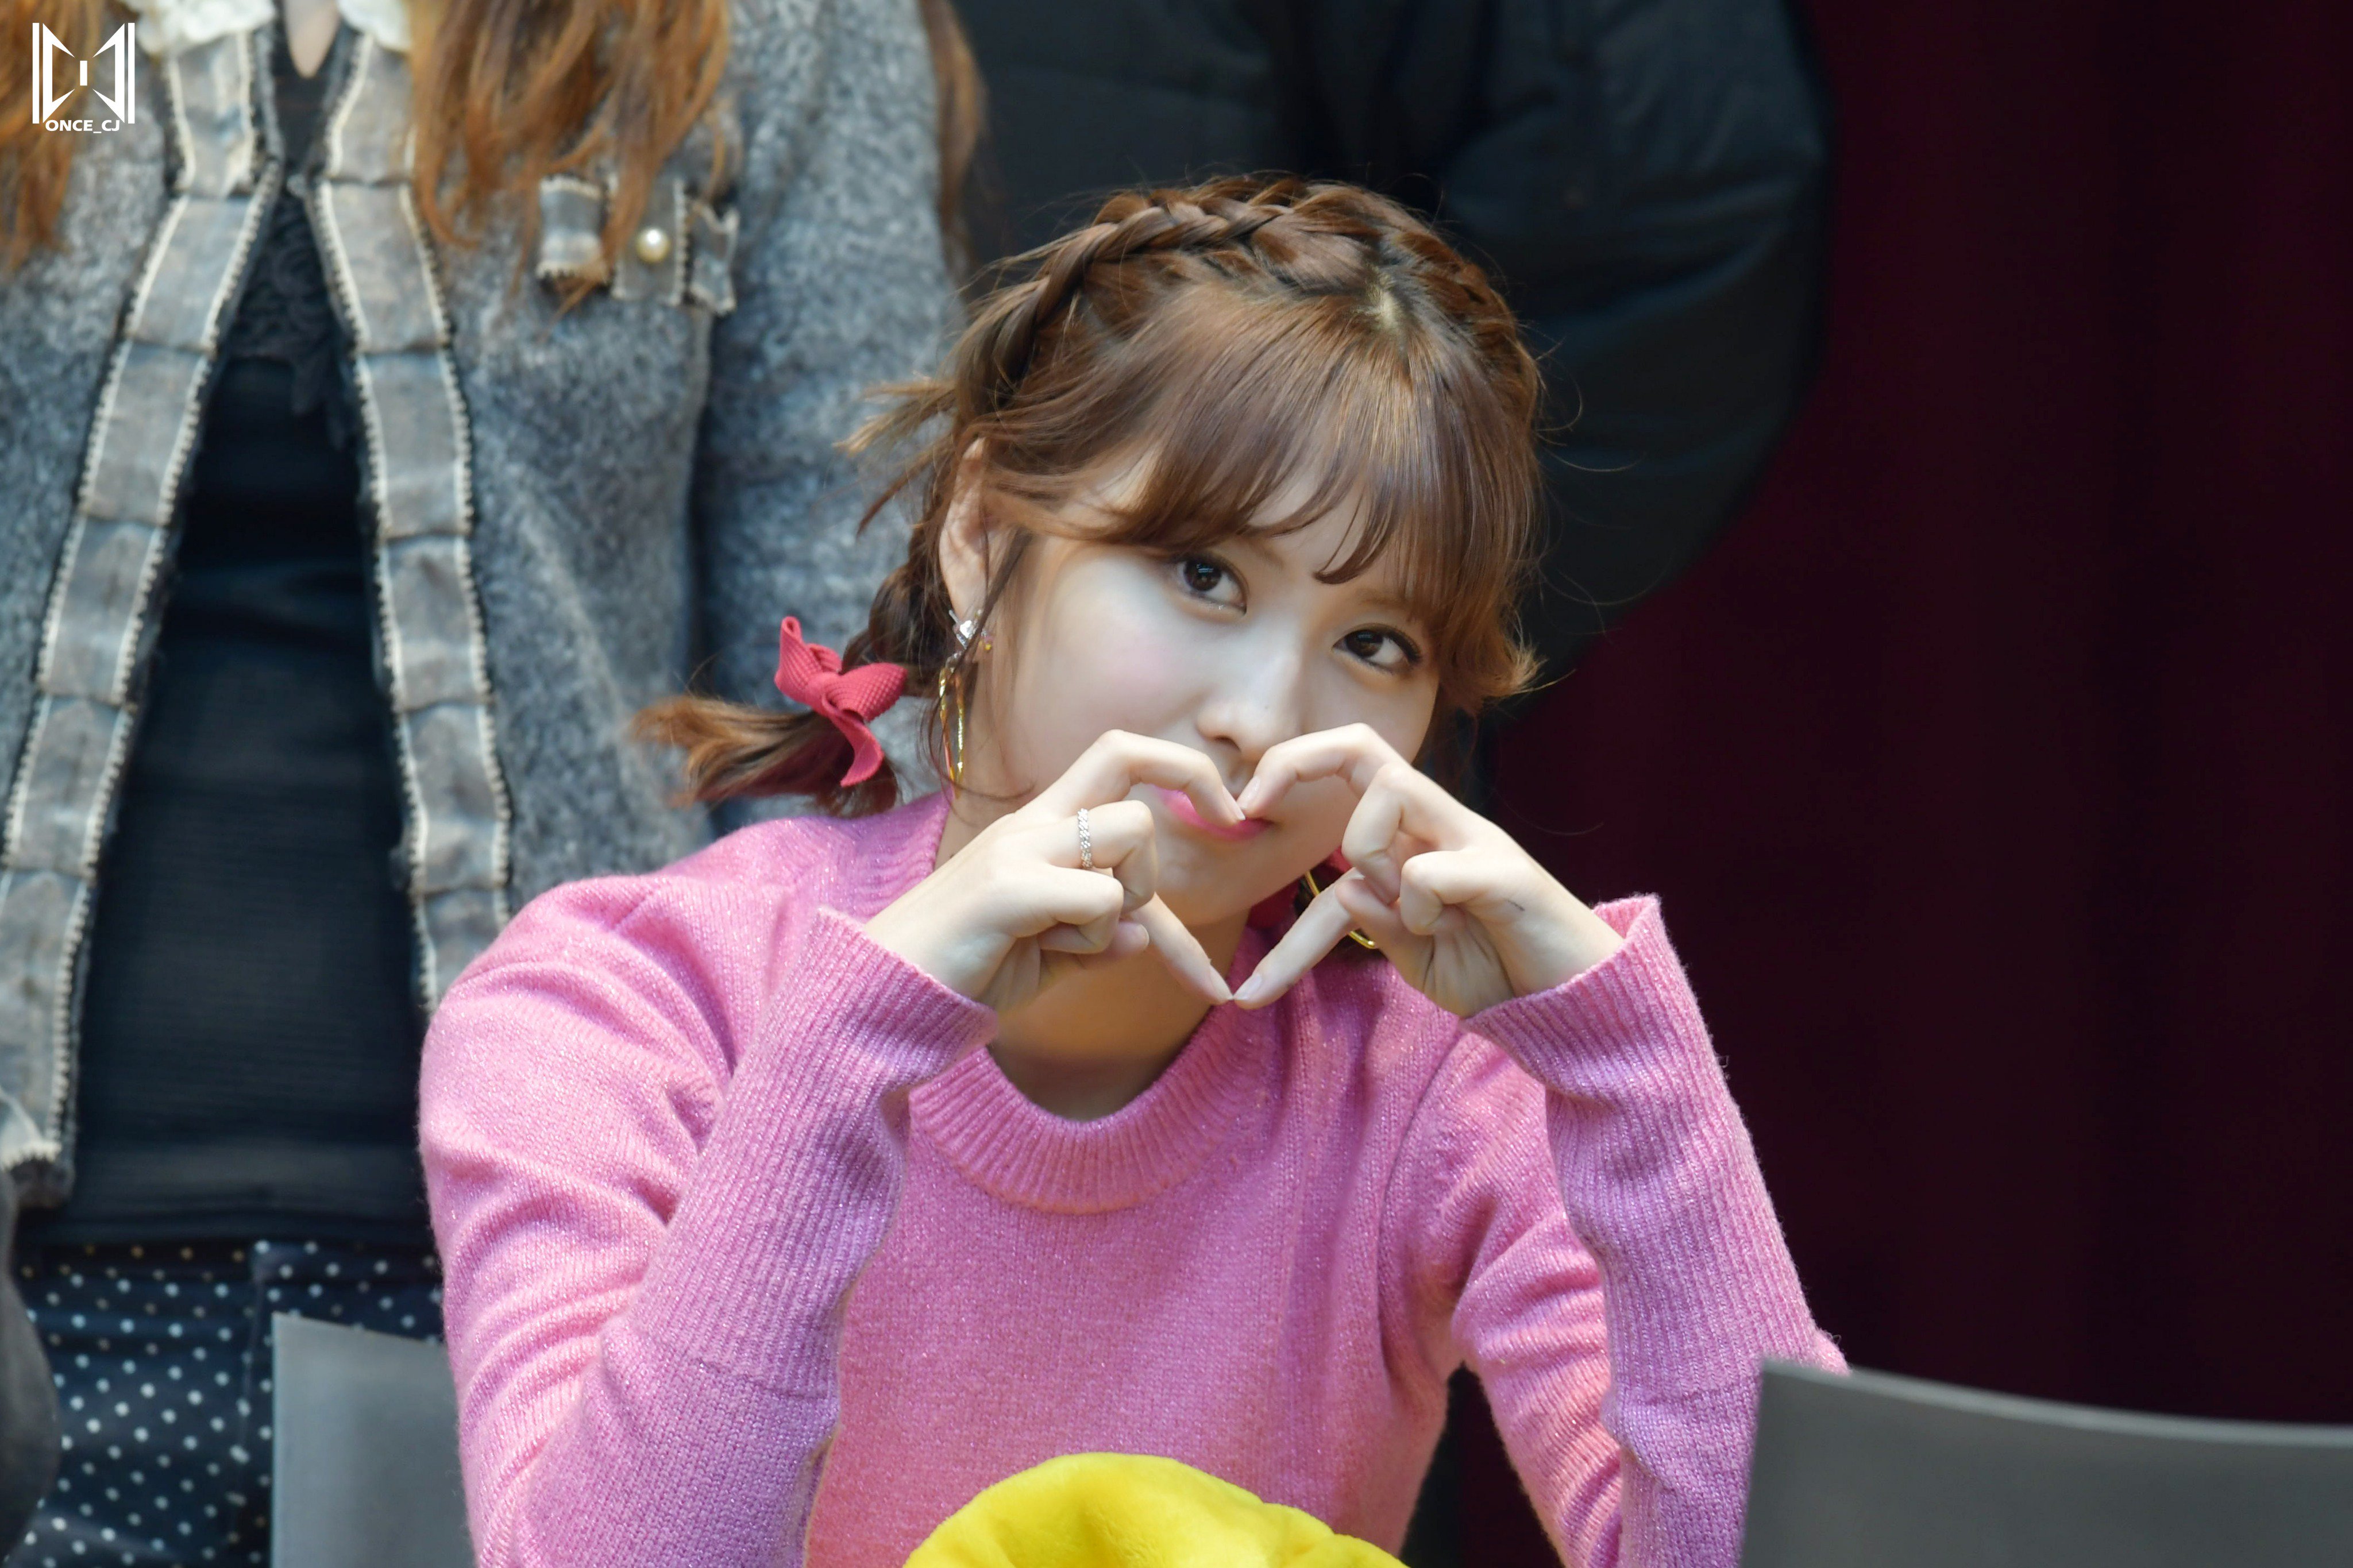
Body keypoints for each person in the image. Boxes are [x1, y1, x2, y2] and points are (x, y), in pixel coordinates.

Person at [420, 177, 1843, 1568]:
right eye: (1200, 574)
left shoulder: (1425, 1082)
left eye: (1373, 644)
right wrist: (851, 1046)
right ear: (982, 535)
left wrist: (1619, 1058)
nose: (1263, 719)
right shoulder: (617, 1005)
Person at [0, 0, 961, 1559]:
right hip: (39, 1298)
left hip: (556, 1271)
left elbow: (848, 649)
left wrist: (774, 1206)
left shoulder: (760, 31)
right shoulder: (72, 52)